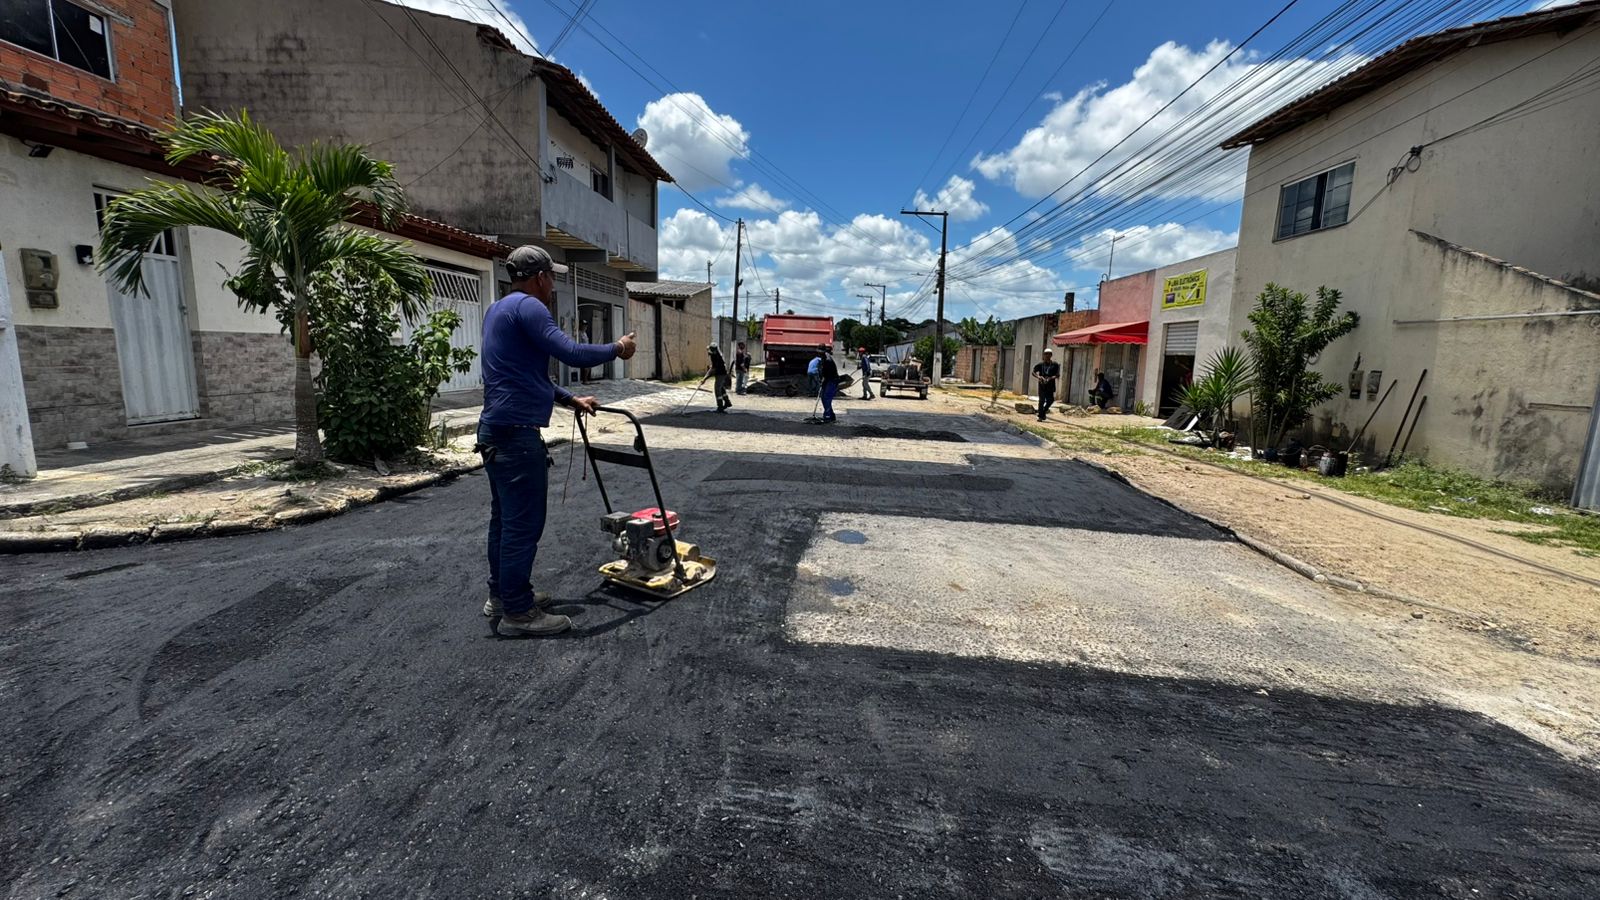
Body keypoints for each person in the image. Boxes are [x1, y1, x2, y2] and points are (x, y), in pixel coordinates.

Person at [478, 245, 636, 637]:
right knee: (523, 525)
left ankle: (502, 596)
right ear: (541, 277)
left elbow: (525, 377)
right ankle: (517, 612)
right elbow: (572, 353)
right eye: (553, 278)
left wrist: (571, 399)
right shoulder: (531, 308)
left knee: (504, 521)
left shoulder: (498, 310)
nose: (554, 286)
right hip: (517, 436)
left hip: (495, 431)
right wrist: (617, 348)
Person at [1033, 349, 1061, 421]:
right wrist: (1039, 377)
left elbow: (1057, 375)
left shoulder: (1055, 365)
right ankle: (1040, 416)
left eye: (1049, 354)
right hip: (1042, 385)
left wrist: (1051, 378)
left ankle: (1043, 412)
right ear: (1043, 355)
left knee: (1050, 400)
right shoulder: (1040, 365)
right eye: (1046, 354)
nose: (1047, 355)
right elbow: (1033, 372)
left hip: (1050, 385)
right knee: (1041, 400)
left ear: (1051, 355)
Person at [819, 346, 841, 423]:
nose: (819, 353)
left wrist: (824, 381)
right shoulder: (824, 358)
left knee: (827, 398)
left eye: (820, 352)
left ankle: (827, 416)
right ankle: (831, 415)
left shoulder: (828, 360)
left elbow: (828, 373)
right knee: (823, 397)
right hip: (828, 380)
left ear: (823, 352)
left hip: (832, 380)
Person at [708, 344, 731, 413]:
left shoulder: (716, 356)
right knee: (721, 388)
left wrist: (705, 378)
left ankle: (720, 407)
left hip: (721, 374)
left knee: (717, 389)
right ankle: (727, 402)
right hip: (722, 373)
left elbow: (713, 368)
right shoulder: (717, 353)